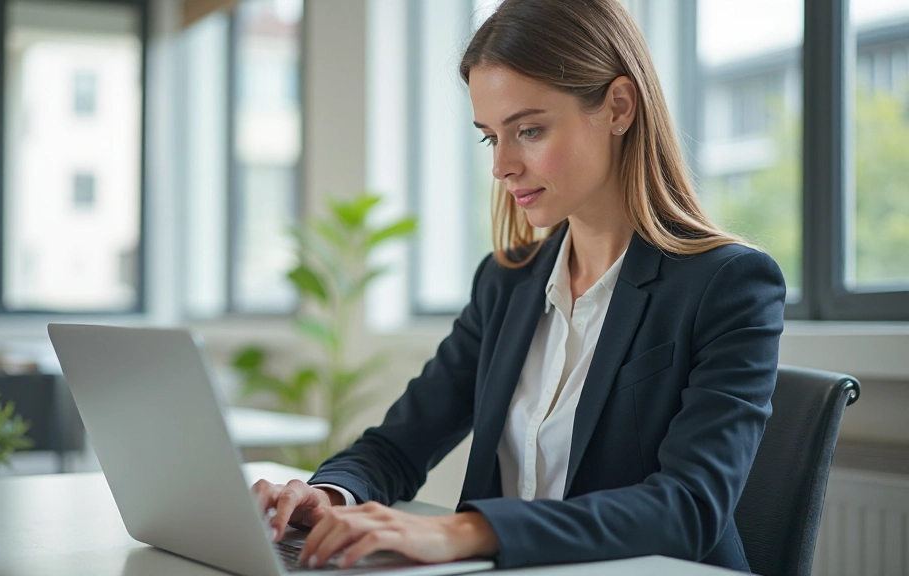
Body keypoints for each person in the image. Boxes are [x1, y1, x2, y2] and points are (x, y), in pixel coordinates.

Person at [251, 0, 785, 572]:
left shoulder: (729, 286)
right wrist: (330, 495)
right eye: (489, 138)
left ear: (619, 107)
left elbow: (688, 508)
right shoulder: (507, 283)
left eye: (528, 130)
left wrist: (472, 531)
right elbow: (398, 444)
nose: (501, 165)